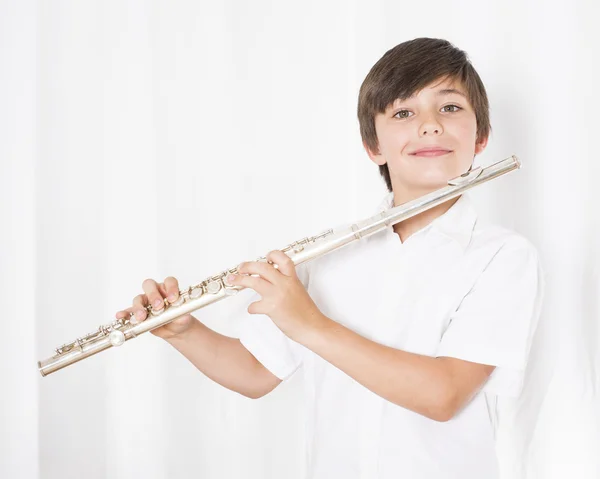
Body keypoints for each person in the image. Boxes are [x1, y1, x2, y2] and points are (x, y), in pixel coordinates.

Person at [115, 37, 545, 479]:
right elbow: (255, 372)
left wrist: (309, 324)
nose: (430, 125)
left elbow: (444, 395)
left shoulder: (502, 257)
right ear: (373, 145)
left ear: (481, 137)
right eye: (403, 113)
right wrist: (185, 331)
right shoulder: (332, 255)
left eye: (450, 107)